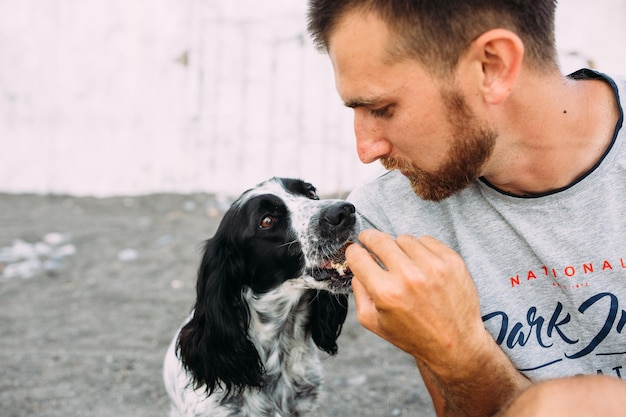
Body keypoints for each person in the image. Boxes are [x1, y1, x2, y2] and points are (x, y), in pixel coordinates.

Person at [307, 1, 626, 416]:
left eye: (383, 109)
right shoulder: (394, 214)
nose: (366, 150)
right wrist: (461, 361)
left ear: (492, 66)